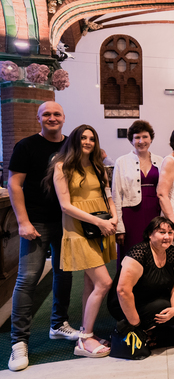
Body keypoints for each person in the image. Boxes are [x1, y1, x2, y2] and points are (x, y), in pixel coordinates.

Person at [7, 101, 78, 372]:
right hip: (35, 222)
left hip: (65, 221)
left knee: (65, 273)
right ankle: (18, 342)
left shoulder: (70, 145)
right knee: (28, 279)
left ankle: (59, 324)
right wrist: (22, 221)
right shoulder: (26, 146)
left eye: (56, 114)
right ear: (39, 118)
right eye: (46, 114)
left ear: (63, 117)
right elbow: (14, 184)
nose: (51, 118)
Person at [48, 124, 117, 358]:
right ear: (75, 140)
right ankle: (84, 340)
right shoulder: (62, 166)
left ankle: (88, 332)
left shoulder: (98, 166)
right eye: (83, 138)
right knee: (104, 283)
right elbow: (65, 206)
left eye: (91, 138)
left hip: (101, 227)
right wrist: (99, 222)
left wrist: (114, 216)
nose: (87, 142)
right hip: (79, 230)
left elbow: (107, 195)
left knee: (91, 284)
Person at [107, 217, 174, 334]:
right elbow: (123, 291)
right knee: (165, 305)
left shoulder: (173, 252)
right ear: (150, 234)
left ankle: (155, 328)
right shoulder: (139, 253)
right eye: (162, 232)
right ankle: (140, 328)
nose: (167, 237)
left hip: (152, 295)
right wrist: (136, 324)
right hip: (126, 302)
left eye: (170, 232)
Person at [112, 120, 163, 270]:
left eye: (145, 137)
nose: (141, 141)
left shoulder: (160, 160)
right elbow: (116, 195)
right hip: (131, 214)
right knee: (132, 253)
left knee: (154, 249)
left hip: (154, 211)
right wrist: (119, 228)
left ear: (151, 139)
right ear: (131, 140)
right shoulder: (122, 161)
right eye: (137, 137)